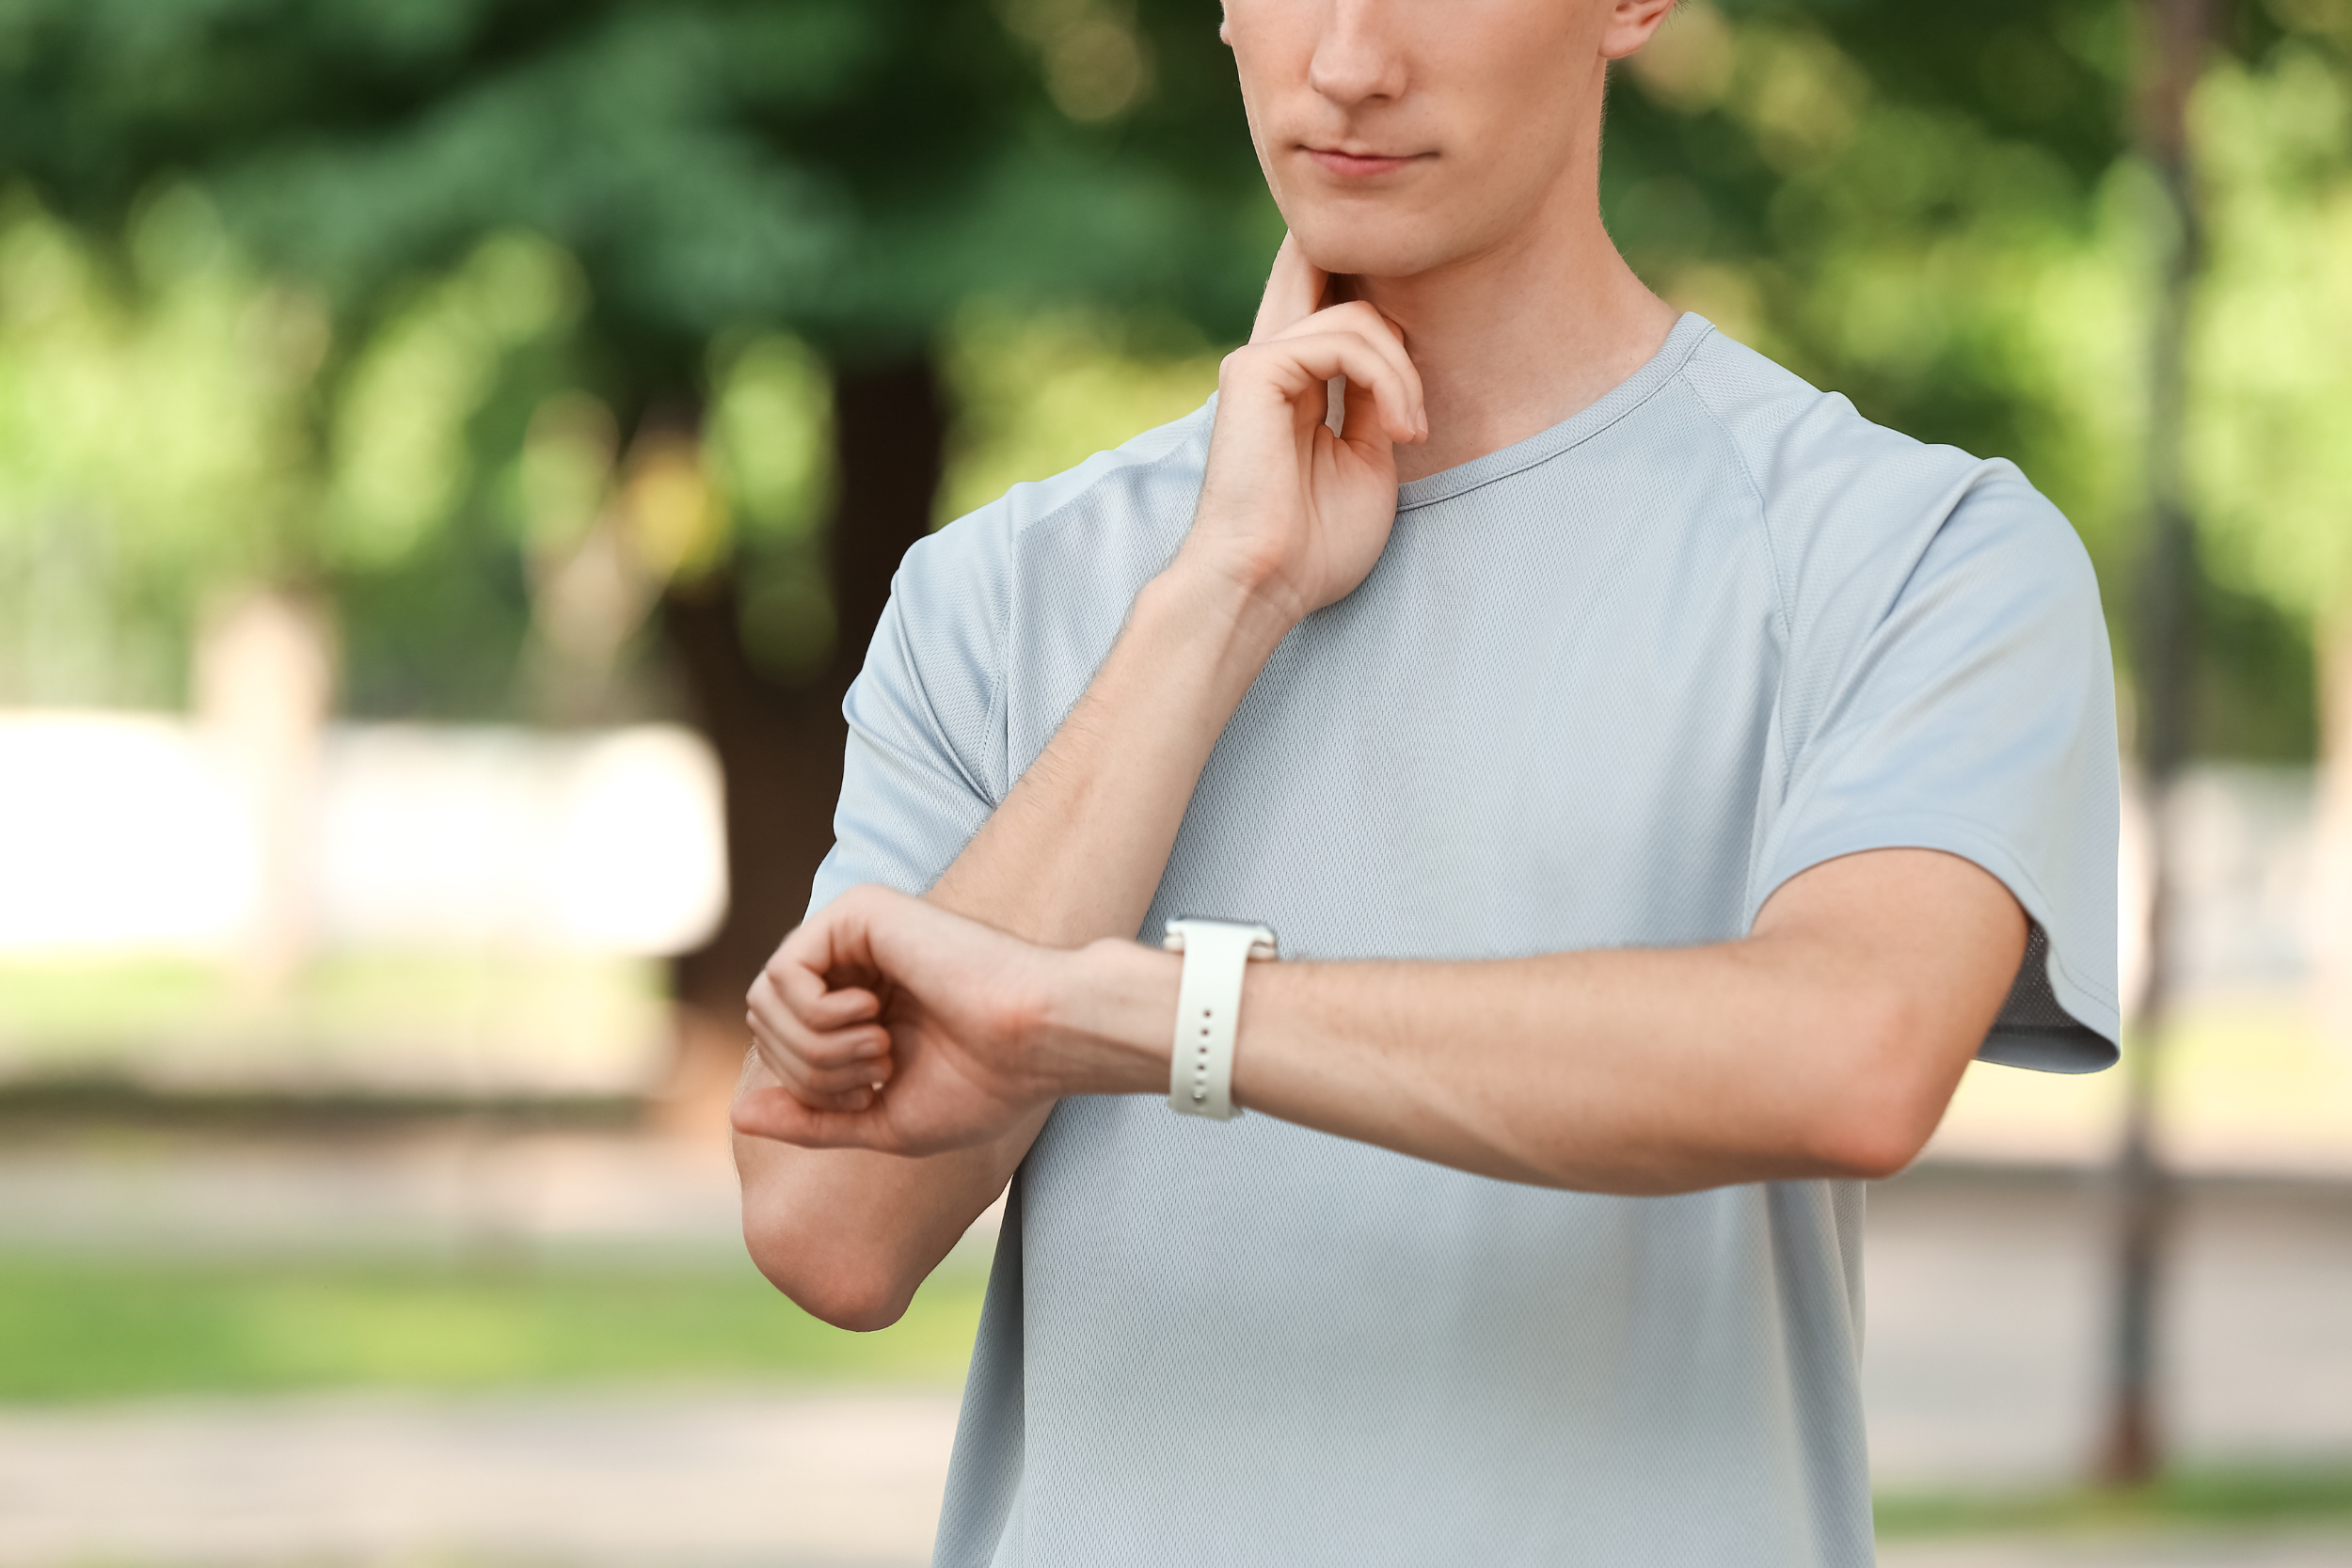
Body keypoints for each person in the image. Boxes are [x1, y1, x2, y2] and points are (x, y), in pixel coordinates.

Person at [733, 0, 2121, 1561]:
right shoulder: (1004, 592)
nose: (1346, 60)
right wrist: (1223, 596)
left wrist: (1122, 1012)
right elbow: (829, 1227)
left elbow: (1853, 1053)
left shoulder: (1912, 555)